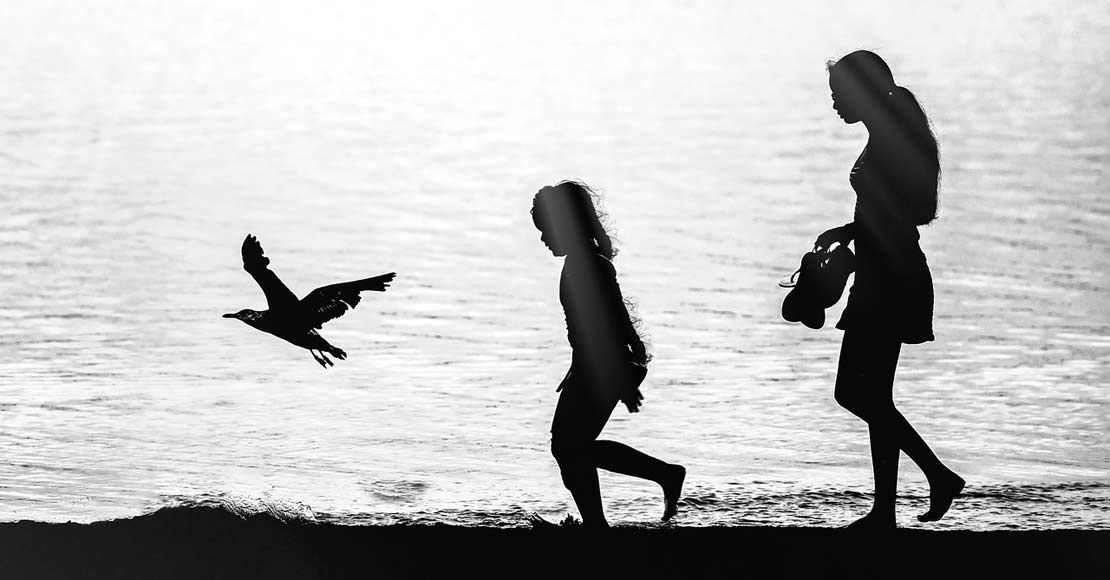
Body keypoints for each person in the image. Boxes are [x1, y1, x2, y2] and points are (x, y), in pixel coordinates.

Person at [818, 50, 965, 528]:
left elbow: (894, 216)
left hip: (890, 278)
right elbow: (891, 213)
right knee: (875, 395)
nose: (834, 102)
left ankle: (938, 475)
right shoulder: (886, 135)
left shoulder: (888, 142)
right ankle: (885, 511)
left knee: (853, 392)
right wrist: (849, 232)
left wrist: (854, 240)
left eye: (838, 92)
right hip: (885, 274)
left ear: (861, 91)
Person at [531, 181, 685, 528]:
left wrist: (621, 375)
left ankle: (598, 526)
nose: (543, 239)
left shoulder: (587, 265)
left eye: (546, 230)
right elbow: (615, 317)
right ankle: (660, 478)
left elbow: (607, 325)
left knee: (569, 448)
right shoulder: (585, 262)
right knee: (573, 447)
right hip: (597, 365)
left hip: (603, 365)